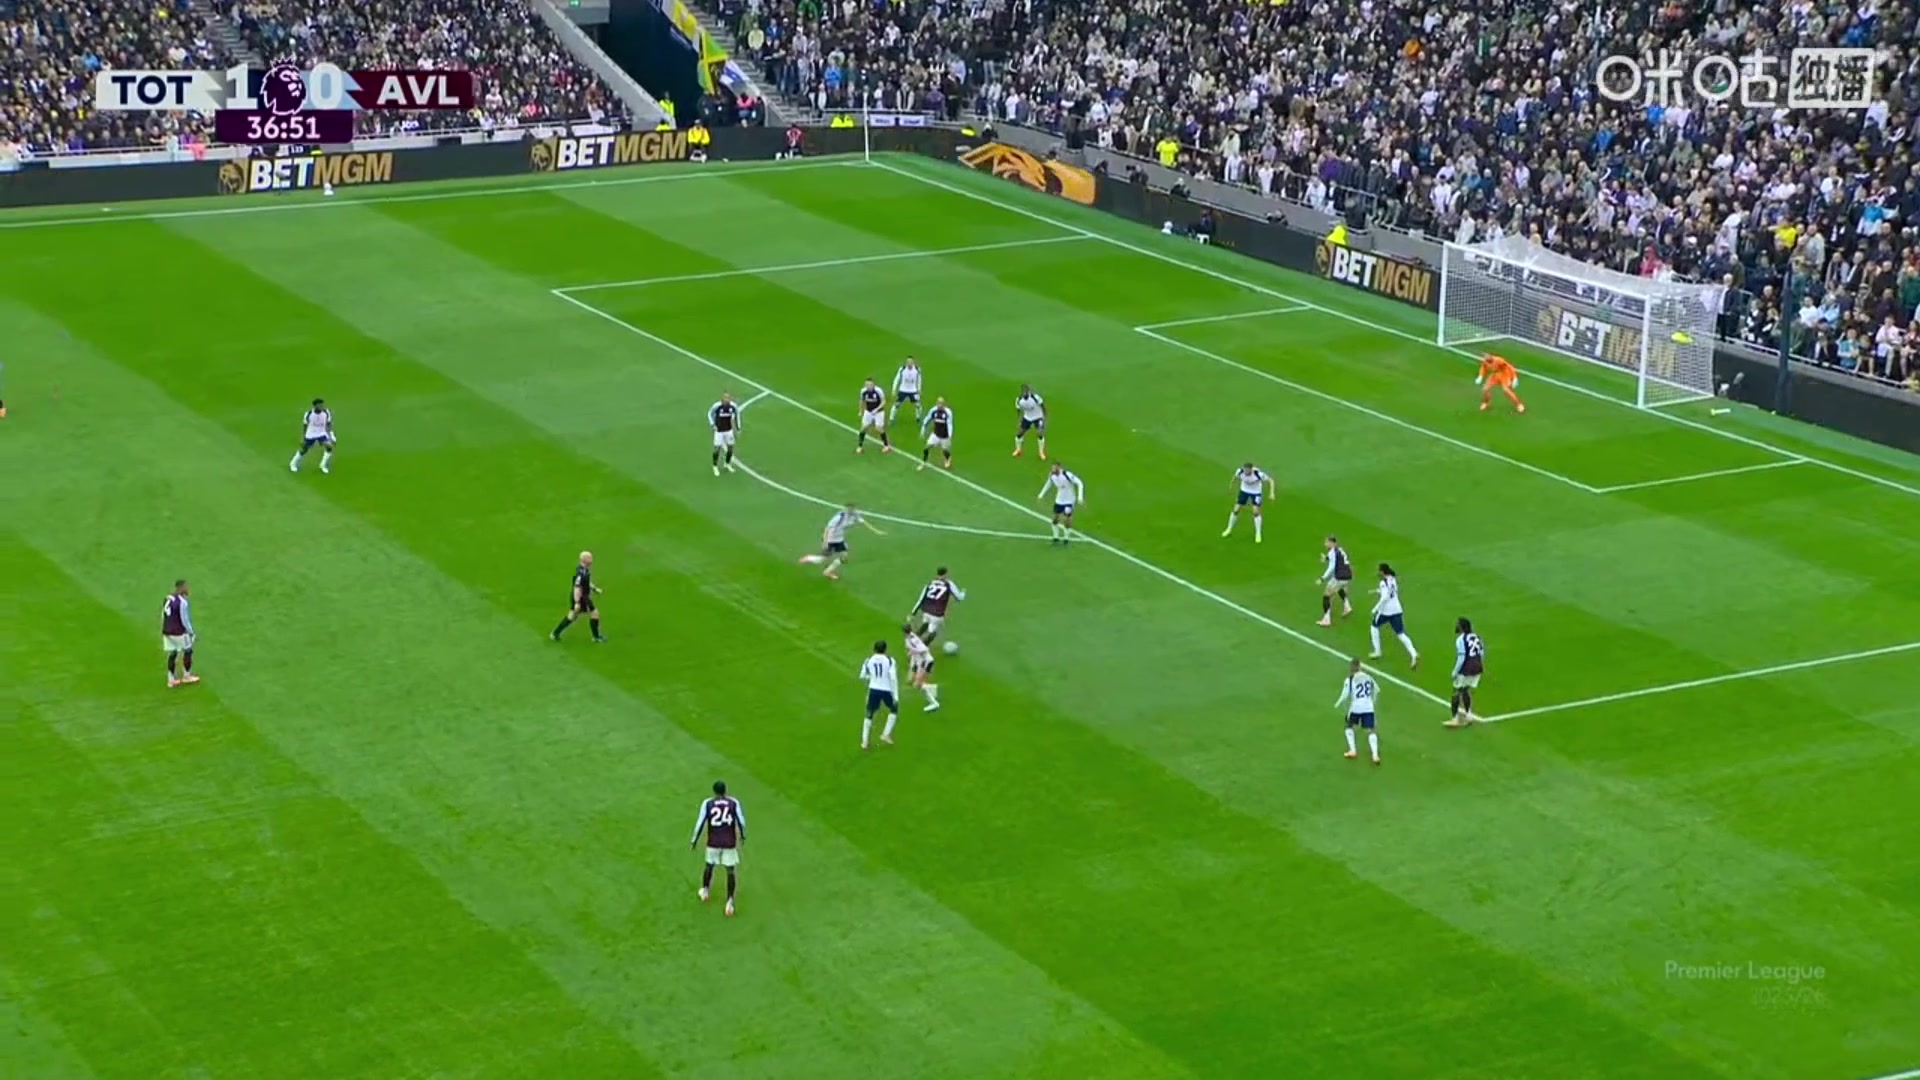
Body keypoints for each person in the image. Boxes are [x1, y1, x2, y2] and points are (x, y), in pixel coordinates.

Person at [690, 781, 744, 916]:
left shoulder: (707, 803)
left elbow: (700, 823)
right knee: (730, 871)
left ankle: (705, 891)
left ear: (714, 791)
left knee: (709, 866)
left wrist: (694, 840)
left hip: (713, 841)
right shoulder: (734, 803)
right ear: (725, 790)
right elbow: (741, 821)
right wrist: (743, 836)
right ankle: (729, 902)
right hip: (729, 842)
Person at [1369, 563, 1419, 667]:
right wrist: (1378, 591)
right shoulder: (1392, 579)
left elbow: (1385, 597)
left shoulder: (1383, 582)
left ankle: (1377, 651)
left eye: (1379, 570)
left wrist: (1375, 608)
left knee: (1374, 626)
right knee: (1400, 633)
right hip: (1397, 610)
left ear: (1382, 571)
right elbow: (1392, 591)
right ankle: (1413, 653)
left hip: (1386, 611)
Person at [550, 551, 606, 642]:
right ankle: (596, 637)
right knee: (594, 614)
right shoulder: (581, 573)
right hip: (582, 598)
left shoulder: (584, 570)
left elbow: (586, 583)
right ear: (585, 560)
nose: (592, 560)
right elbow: (577, 587)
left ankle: (555, 633)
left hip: (581, 597)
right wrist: (577, 602)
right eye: (590, 558)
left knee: (572, 616)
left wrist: (594, 589)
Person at [1334, 658, 1381, 764]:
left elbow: (1345, 695)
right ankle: (1375, 755)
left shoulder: (1350, 679)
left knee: (1349, 726)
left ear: (1352, 667)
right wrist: (1372, 702)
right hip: (1368, 708)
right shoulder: (1368, 677)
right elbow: (1377, 690)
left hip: (1356, 708)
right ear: (1360, 666)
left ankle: (1353, 750)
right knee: (1371, 730)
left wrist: (1337, 703)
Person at [859, 640, 900, 749]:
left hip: (873, 689)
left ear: (874, 649)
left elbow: (862, 676)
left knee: (869, 714)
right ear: (885, 649)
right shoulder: (890, 660)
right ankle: (885, 734)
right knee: (894, 709)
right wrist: (895, 695)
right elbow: (893, 677)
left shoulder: (869, 660)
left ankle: (864, 742)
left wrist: (872, 678)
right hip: (886, 689)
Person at [161, 579, 200, 688]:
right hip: (178, 632)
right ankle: (187, 676)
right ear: (181, 588)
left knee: (173, 653)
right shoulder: (182, 602)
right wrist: (191, 632)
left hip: (167, 631)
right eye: (186, 587)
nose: (188, 589)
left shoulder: (168, 598)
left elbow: (164, 614)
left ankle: (171, 680)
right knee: (188, 650)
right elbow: (184, 620)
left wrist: (165, 627)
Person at [1222, 462, 1273, 542]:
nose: (1246, 472)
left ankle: (1258, 534)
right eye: (1245, 470)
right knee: (1236, 510)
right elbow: (1235, 477)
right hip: (1244, 491)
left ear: (1251, 469)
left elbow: (1270, 480)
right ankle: (1229, 529)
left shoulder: (1258, 474)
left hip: (1256, 492)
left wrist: (1271, 493)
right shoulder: (1240, 472)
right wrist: (1231, 484)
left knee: (1256, 512)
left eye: (1247, 470)